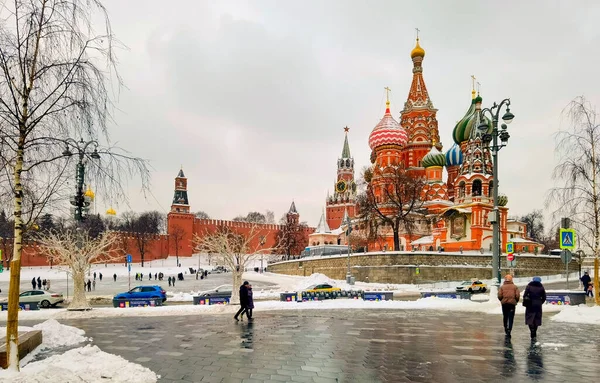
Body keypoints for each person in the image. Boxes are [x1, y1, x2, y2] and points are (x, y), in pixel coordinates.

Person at [523, 276, 546, 341]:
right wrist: (540, 302)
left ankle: (532, 330)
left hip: (530, 304)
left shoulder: (529, 286)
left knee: (530, 317)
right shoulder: (541, 287)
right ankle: (534, 331)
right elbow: (544, 297)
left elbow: (525, 295)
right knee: (537, 318)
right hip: (538, 304)